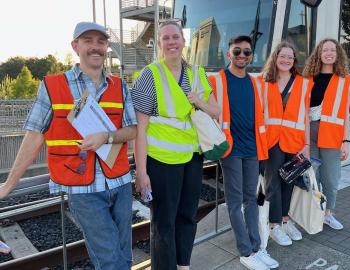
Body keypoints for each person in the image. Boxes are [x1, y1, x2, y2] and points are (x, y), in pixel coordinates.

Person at [0, 22, 137, 269]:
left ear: (106, 47)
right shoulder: (53, 85)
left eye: (101, 41)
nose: (95, 47)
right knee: (110, 260)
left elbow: (133, 130)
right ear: (75, 46)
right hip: (82, 188)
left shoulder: (120, 85)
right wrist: (9, 184)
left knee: (124, 255)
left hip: (120, 182)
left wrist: (106, 137)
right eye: (88, 41)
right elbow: (34, 136)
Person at [131, 20, 220, 270]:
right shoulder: (150, 75)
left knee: (187, 217)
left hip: (192, 158)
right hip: (162, 161)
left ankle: (183, 265)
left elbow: (217, 110)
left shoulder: (197, 74)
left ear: (184, 42)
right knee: (164, 223)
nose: (171, 42)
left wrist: (199, 102)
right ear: (159, 44)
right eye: (165, 38)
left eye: (175, 37)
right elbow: (140, 130)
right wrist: (142, 171)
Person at [208, 35, 278, 270]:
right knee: (235, 201)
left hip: (252, 148)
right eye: (236, 51)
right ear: (229, 54)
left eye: (246, 52)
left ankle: (257, 248)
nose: (241, 56)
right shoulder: (216, 80)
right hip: (230, 149)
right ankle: (245, 251)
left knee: (251, 200)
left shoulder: (256, 82)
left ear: (252, 56)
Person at [260, 41, 312, 246]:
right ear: (275, 58)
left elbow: (306, 116)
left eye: (290, 57)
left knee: (289, 182)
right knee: (272, 183)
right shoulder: (264, 82)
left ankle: (285, 220)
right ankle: (274, 226)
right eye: (282, 56)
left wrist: (307, 145)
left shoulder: (304, 83)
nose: (286, 60)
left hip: (295, 140)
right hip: (272, 140)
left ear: (294, 61)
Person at [303, 38, 350, 230]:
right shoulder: (307, 78)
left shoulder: (345, 79)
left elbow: (346, 112)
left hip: (333, 135)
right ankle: (311, 213)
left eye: (333, 50)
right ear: (319, 54)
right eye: (325, 50)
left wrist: (346, 140)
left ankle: (328, 214)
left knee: (331, 179)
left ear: (338, 54)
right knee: (310, 177)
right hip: (310, 134)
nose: (329, 53)